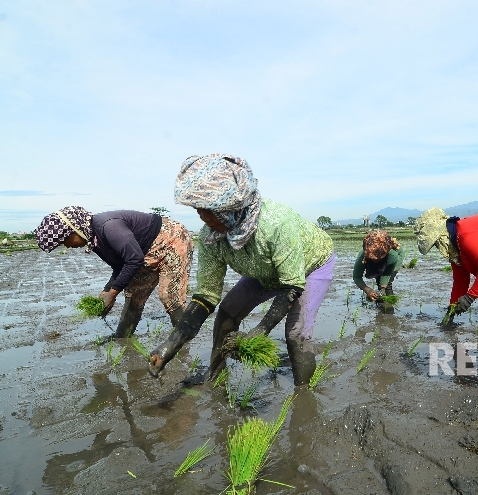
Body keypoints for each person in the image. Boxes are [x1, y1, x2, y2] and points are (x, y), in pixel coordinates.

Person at [148, 154, 335, 386]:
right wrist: (171, 344)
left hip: (310, 267)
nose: (202, 216)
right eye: (198, 208)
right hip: (263, 271)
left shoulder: (276, 224)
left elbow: (292, 285)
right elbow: (206, 296)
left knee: (296, 333)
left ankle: (303, 394)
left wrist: (261, 329)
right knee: (227, 314)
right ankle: (216, 377)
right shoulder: (211, 237)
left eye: (209, 208)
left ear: (231, 204)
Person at [34, 206, 193, 337]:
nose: (67, 246)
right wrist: (106, 291)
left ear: (74, 230)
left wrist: (112, 294)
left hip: (170, 240)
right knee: (133, 297)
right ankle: (122, 338)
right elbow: (120, 265)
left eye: (64, 241)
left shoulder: (107, 226)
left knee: (169, 296)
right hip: (143, 253)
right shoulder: (94, 240)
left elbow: (133, 259)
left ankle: (181, 341)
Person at [414, 208, 478, 331]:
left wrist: (469, 297)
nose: (438, 248)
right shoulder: (456, 250)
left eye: (436, 244)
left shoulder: (466, 233)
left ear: (442, 236)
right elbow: (460, 283)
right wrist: (451, 311)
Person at [353, 230, 403, 308]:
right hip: (379, 256)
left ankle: (389, 307)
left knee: (388, 284)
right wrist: (367, 290)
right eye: (372, 258)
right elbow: (357, 276)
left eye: (377, 258)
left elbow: (387, 274)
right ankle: (381, 305)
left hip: (392, 258)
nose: (375, 260)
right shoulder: (363, 254)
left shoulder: (393, 256)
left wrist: (383, 288)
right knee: (379, 281)